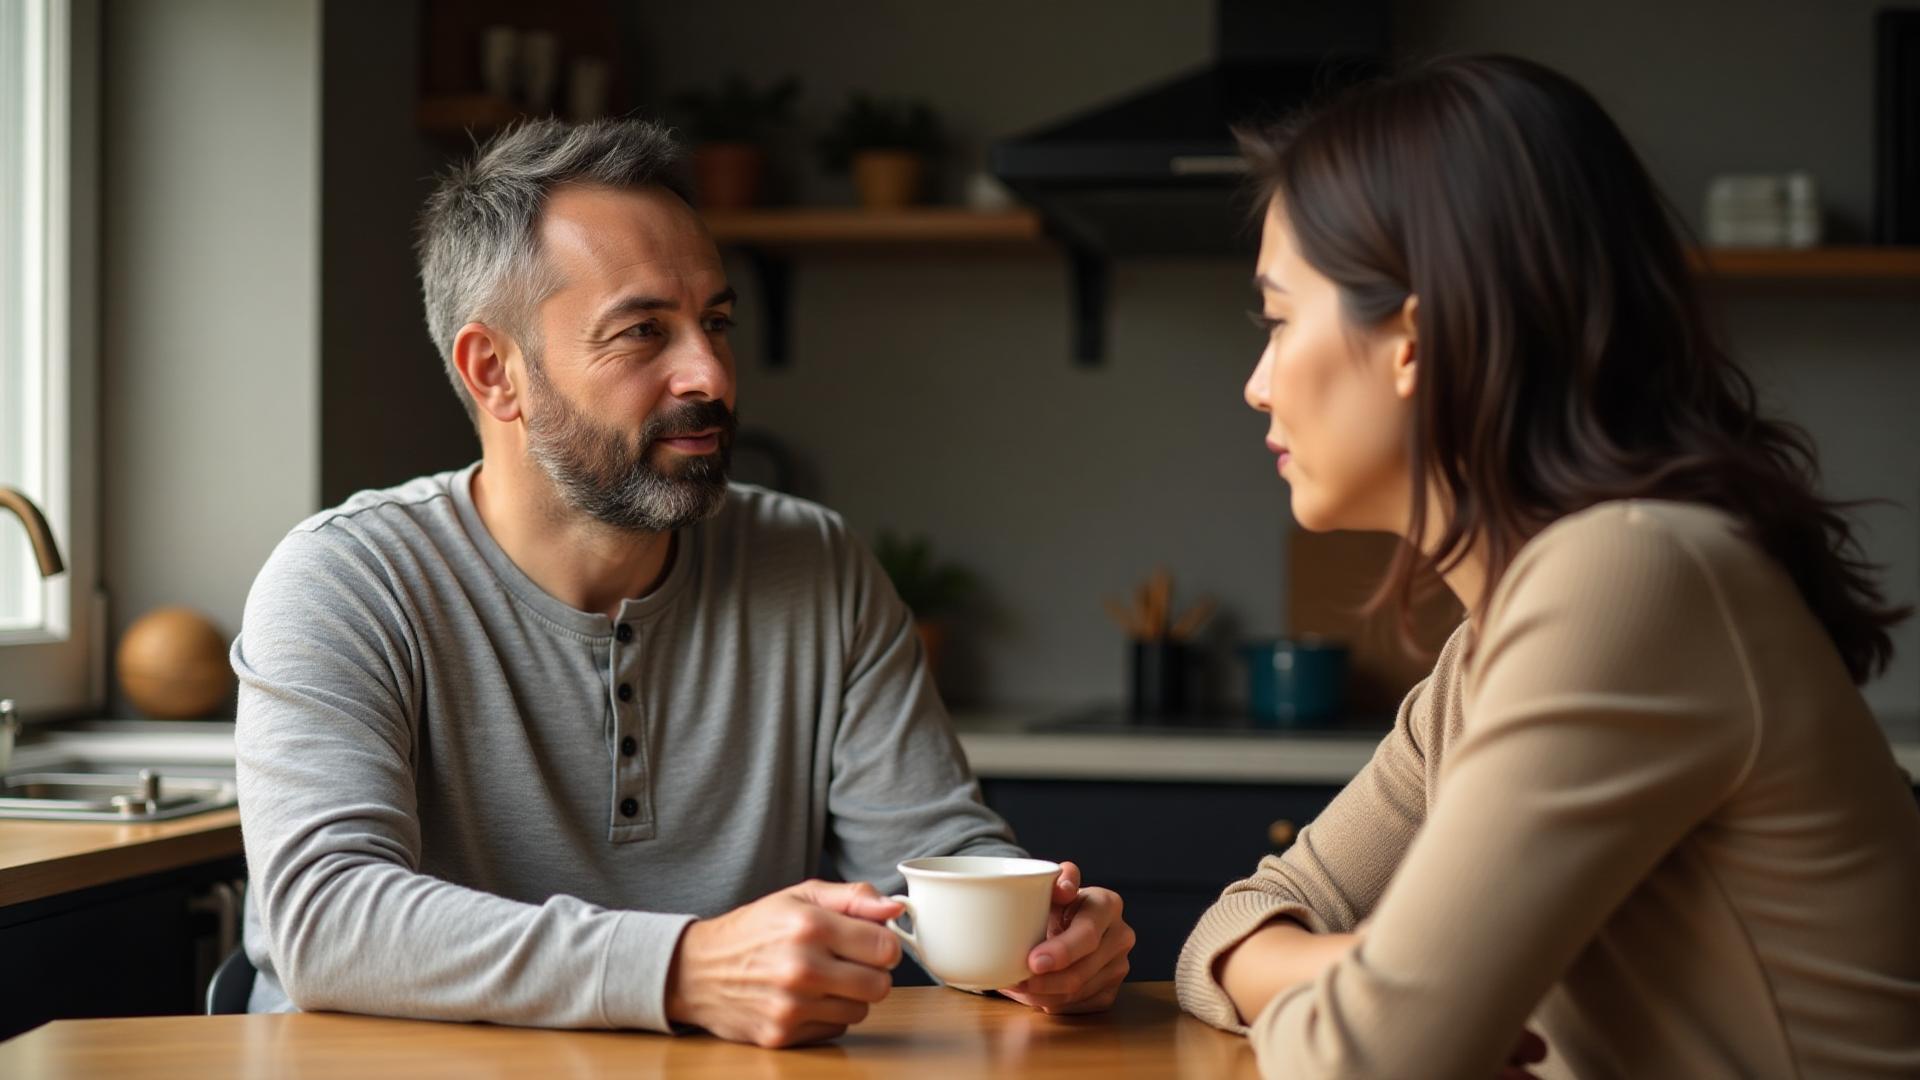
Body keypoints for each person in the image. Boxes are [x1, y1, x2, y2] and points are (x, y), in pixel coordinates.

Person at [232, 118, 1133, 1048]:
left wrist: (1043, 938)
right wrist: (682, 968)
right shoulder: (345, 581)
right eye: (643, 333)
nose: (709, 373)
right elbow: (326, 921)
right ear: (493, 371)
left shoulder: (815, 566)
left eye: (716, 323)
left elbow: (936, 856)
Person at [1176, 55, 1920, 1078]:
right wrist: (1360, 969)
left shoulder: (1628, 580)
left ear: (1412, 339)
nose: (1258, 386)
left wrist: (1368, 995)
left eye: (1278, 319)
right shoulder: (1498, 647)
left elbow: (1365, 1061)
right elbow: (1233, 928)